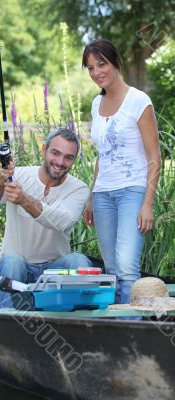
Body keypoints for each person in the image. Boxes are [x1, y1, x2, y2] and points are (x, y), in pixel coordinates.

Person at [82, 39, 161, 305]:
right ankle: (116, 329)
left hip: (132, 191)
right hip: (103, 194)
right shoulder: (96, 104)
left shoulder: (139, 101)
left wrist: (147, 204)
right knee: (112, 271)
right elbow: (101, 155)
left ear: (116, 62)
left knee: (127, 269)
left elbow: (154, 158)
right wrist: (92, 197)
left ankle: (132, 331)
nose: (96, 72)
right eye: (90, 68)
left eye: (101, 64)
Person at [0, 128, 92, 307]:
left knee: (79, 260)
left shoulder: (79, 189)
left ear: (73, 160)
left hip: (55, 271)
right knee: (12, 261)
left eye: (68, 157)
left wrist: (24, 200)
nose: (60, 162)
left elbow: (62, 221)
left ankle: (80, 324)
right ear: (44, 150)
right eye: (55, 153)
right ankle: (5, 323)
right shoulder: (19, 175)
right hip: (19, 268)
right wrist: (2, 177)